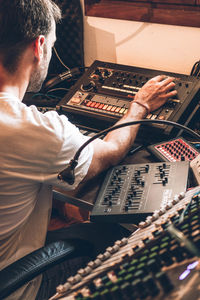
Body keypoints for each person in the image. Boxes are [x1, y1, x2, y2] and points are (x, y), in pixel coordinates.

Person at [0, 0, 177, 299]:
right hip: (19, 286)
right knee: (117, 237)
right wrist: (140, 105)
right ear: (39, 46)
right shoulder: (34, 130)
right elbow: (109, 152)